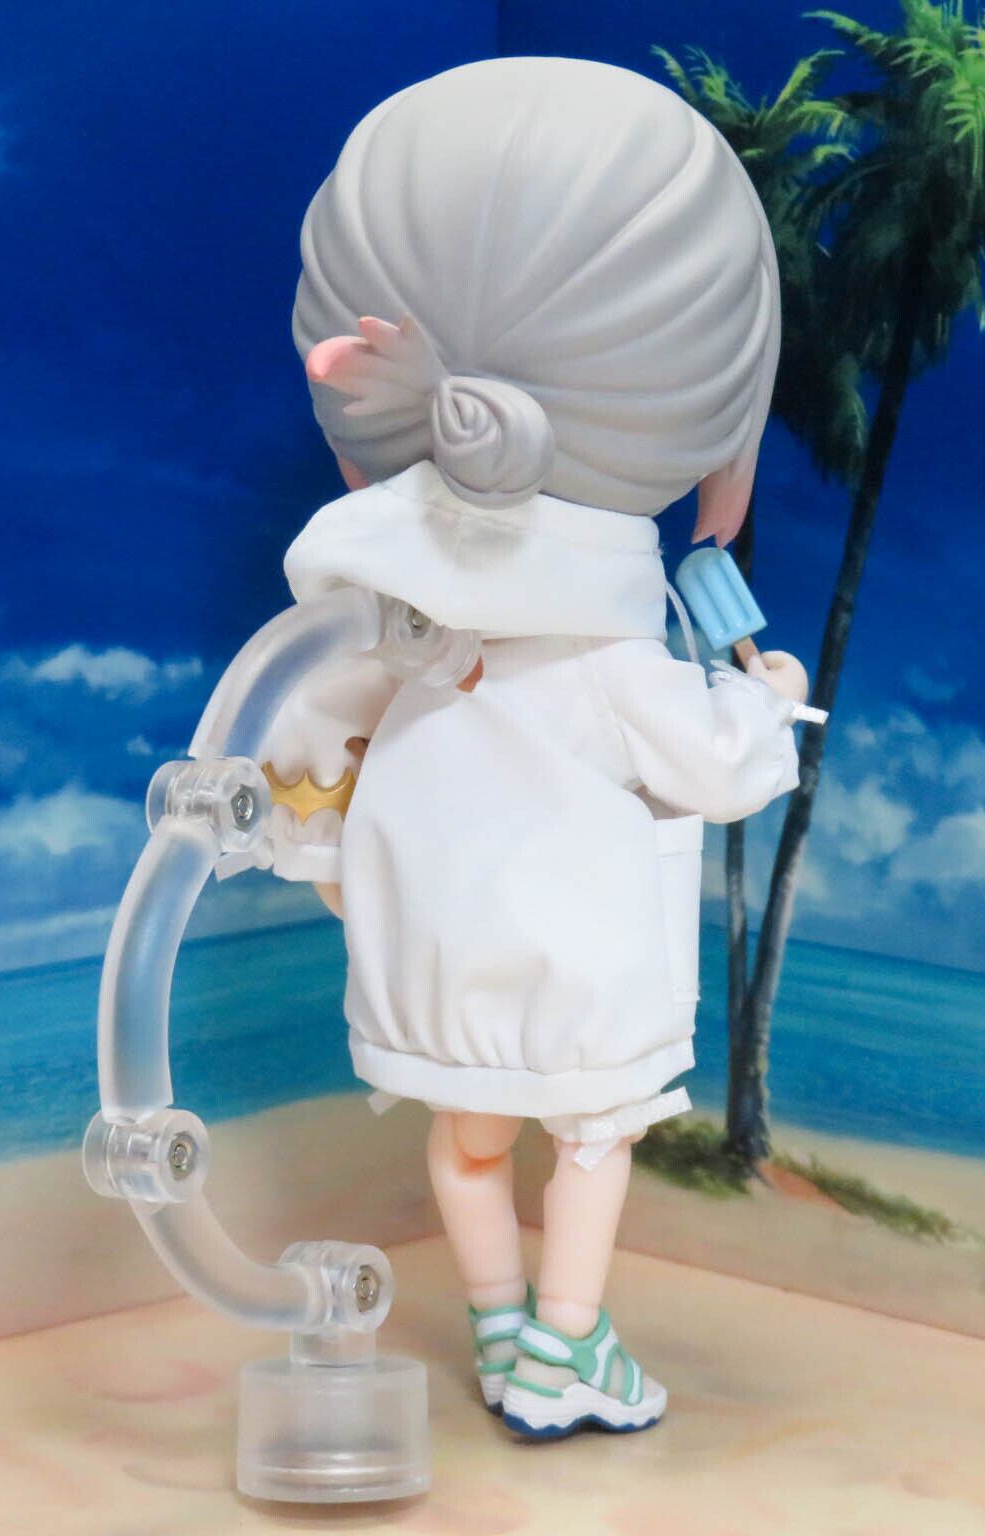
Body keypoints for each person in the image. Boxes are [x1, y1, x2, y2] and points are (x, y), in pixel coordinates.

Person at [262, 56, 809, 1439]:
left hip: (436, 957)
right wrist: (772, 694)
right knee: (592, 1136)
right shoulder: (614, 661)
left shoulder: (389, 643)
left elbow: (304, 755)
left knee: (465, 1135)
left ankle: (499, 1323)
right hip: (583, 972)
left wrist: (329, 865)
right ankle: (566, 1346)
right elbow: (723, 766)